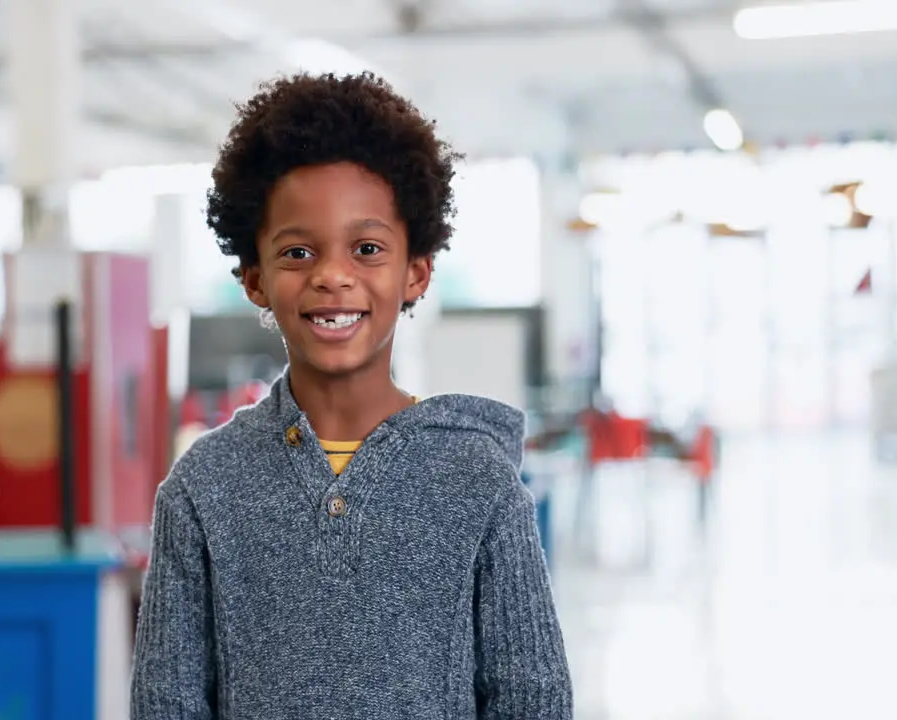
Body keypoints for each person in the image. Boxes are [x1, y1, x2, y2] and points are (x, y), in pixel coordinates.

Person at [130, 73, 573, 719]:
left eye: (367, 249)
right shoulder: (203, 488)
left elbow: (533, 698)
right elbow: (165, 705)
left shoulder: (480, 482)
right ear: (254, 279)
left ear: (416, 272)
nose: (332, 275)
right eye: (298, 251)